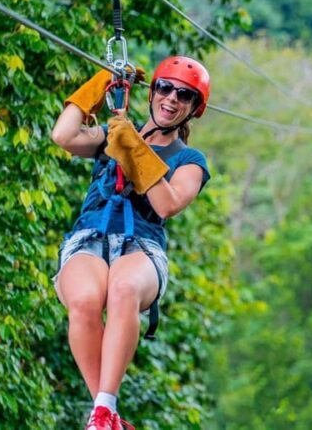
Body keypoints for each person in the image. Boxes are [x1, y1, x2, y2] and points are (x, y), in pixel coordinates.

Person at [50, 56, 212, 430]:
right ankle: (103, 414)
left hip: (141, 245)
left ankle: (104, 409)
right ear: (152, 91)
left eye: (184, 95)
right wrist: (99, 84)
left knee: (123, 288)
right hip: (90, 236)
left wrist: (134, 147)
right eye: (165, 88)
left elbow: (168, 204)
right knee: (85, 299)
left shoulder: (190, 160)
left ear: (193, 109)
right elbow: (63, 136)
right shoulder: (113, 133)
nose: (172, 99)